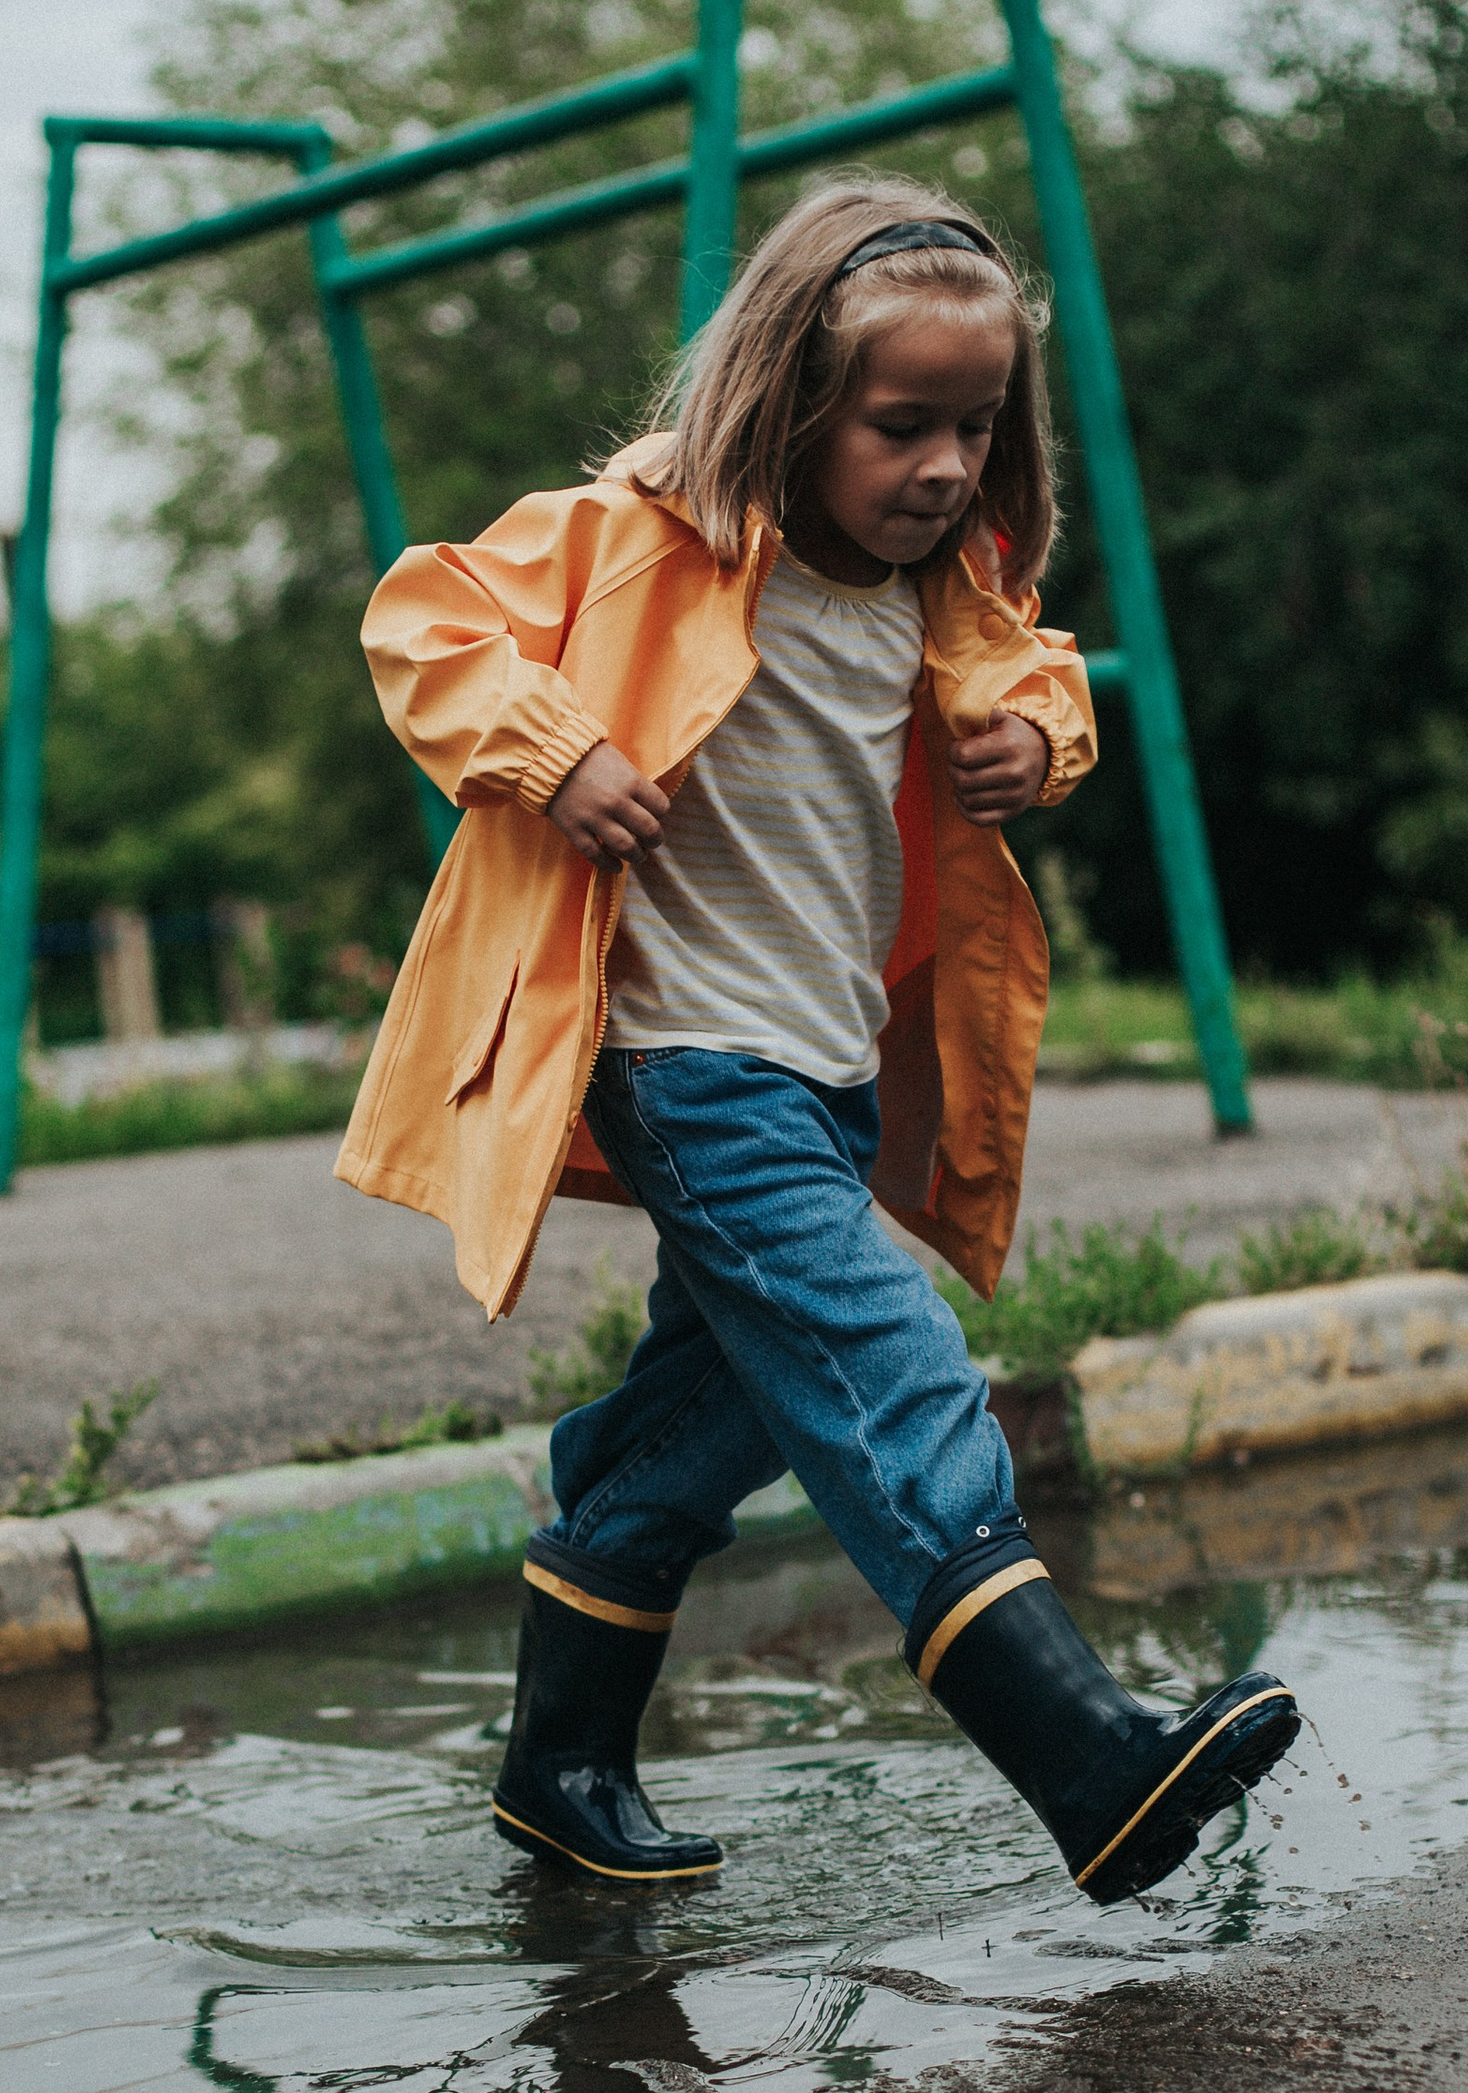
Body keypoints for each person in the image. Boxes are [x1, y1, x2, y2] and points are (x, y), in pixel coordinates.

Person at [338, 175, 1297, 1900]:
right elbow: (424, 621)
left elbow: (1039, 674)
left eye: (976, 425)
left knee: (688, 1440)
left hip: (831, 1075)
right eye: (899, 424)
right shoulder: (639, 536)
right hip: (684, 1061)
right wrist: (554, 745)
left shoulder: (950, 588)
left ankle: (558, 1774)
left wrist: (1036, 744)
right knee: (888, 1368)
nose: (941, 463)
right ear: (790, 398)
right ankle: (1085, 1763)